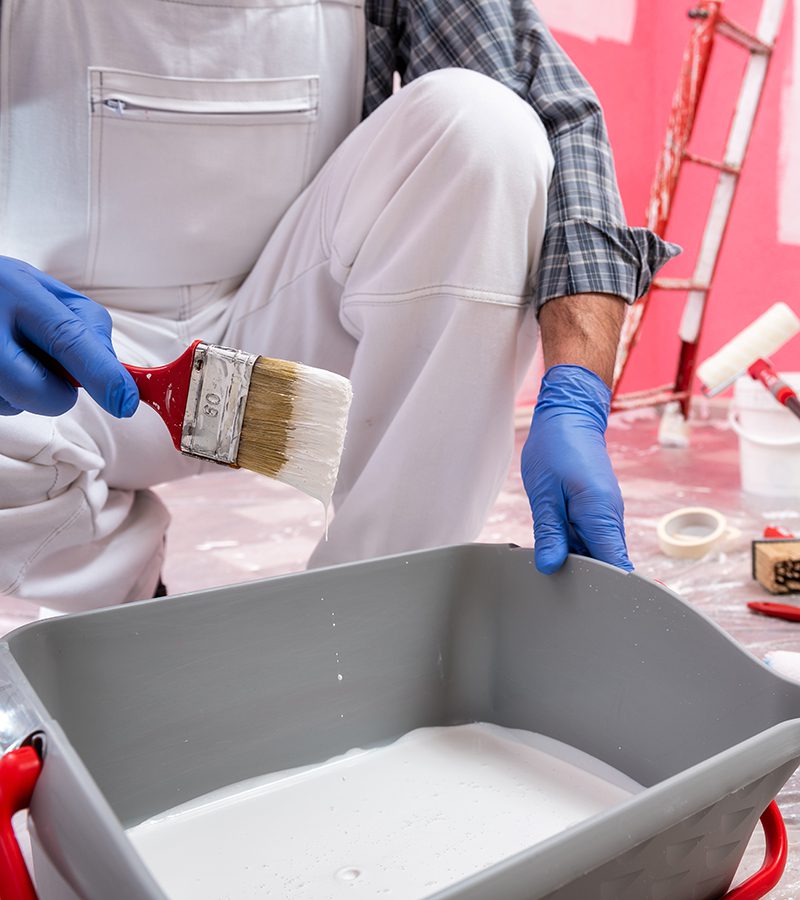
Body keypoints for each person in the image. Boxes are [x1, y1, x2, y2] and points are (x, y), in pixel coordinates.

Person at [0, 0, 678, 612]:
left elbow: (553, 119)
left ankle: (369, 615)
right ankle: (113, 619)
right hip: (53, 367)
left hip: (282, 356)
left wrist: (576, 392)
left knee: (487, 129)